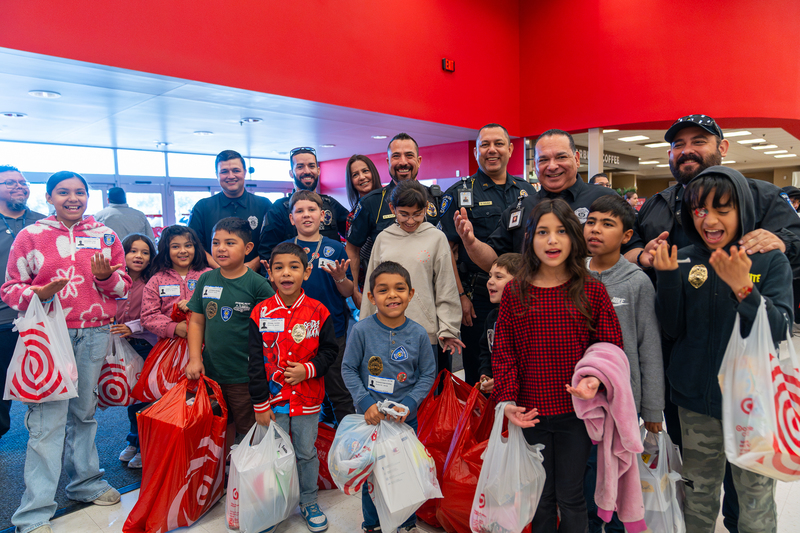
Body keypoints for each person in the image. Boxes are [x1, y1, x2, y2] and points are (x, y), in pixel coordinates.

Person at [628, 114, 800, 531]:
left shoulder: (767, 259)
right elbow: (671, 328)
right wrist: (667, 278)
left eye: (722, 209)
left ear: (743, 208)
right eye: (700, 210)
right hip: (694, 401)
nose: (710, 220)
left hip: (753, 402)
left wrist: (745, 289)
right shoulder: (685, 258)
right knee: (699, 494)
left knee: (754, 498)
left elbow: (779, 328)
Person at [2, 170, 132, 533]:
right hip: (48, 336)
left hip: (94, 333)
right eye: (63, 192)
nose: (73, 198)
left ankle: (86, 483)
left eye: (79, 192)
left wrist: (106, 278)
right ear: (49, 197)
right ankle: (34, 513)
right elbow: (10, 288)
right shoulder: (32, 235)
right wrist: (40, 294)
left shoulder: (105, 235)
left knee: (84, 414)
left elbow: (122, 287)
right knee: (46, 423)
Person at [490, 198, 624, 533]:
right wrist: (505, 402)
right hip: (530, 413)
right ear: (530, 239)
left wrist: (595, 380)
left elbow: (608, 348)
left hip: (576, 414)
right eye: (543, 232)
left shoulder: (591, 289)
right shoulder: (515, 292)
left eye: (561, 231)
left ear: (574, 238)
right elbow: (504, 352)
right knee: (539, 498)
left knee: (572, 495)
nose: (552, 240)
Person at [582, 195, 664, 533]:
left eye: (607, 224)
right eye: (591, 222)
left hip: (622, 403)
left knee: (619, 476)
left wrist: (653, 410)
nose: (596, 230)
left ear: (627, 236)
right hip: (581, 402)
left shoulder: (637, 282)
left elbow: (649, 347)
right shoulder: (571, 274)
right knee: (586, 480)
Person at [248, 242, 339, 533]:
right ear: (270, 274)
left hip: (308, 399)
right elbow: (254, 362)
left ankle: (309, 501)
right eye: (279, 268)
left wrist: (307, 370)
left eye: (294, 267)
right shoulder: (260, 312)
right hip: (272, 405)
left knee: (305, 452)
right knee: (274, 455)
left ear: (307, 271)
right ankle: (275, 505)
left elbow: (329, 351)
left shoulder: (318, 311)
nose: (286, 273)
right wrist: (260, 405)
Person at [341, 261, 437, 533]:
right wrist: (366, 403)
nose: (392, 295)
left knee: (404, 474)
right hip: (371, 422)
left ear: (411, 293)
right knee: (373, 476)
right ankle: (372, 525)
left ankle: (406, 523)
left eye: (399, 288)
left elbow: (428, 374)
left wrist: (409, 404)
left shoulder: (418, 333)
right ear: (371, 297)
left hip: (406, 422)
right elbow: (348, 369)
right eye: (383, 290)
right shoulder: (361, 330)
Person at [439, 123, 535, 387]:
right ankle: (482, 428)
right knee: (479, 374)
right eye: (485, 144)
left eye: (499, 144)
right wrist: (460, 296)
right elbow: (446, 249)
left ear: (510, 149)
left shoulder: (528, 193)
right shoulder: (459, 193)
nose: (492, 150)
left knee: (524, 367)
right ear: (475, 151)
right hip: (479, 297)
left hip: (526, 296)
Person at [454, 129, 627, 274]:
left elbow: (631, 248)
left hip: (592, 305)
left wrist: (643, 256)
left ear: (576, 158)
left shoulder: (606, 199)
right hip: (535, 308)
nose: (552, 166)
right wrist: (471, 243)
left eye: (560, 157)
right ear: (535, 165)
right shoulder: (520, 208)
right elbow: (494, 261)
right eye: (543, 160)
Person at [185, 217, 275, 441]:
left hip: (244, 376)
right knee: (217, 425)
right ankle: (225, 470)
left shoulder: (257, 285)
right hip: (212, 373)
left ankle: (245, 471)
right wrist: (195, 358)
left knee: (249, 430)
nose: (221, 248)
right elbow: (196, 322)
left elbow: (273, 329)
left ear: (247, 248)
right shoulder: (206, 279)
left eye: (230, 243)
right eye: (216, 243)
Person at [361, 180, 463, 372]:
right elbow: (370, 288)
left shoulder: (436, 238)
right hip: (386, 332)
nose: (410, 221)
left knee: (427, 395)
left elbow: (446, 287)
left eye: (417, 214)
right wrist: (365, 330)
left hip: (426, 333)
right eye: (404, 214)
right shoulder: (383, 239)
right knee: (389, 392)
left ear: (426, 208)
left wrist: (448, 328)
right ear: (393, 208)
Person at [346, 133, 444, 309]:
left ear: (419, 160)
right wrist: (355, 290)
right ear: (388, 162)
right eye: (396, 156)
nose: (403, 162)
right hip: (385, 297)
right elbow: (352, 248)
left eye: (409, 155)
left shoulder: (436, 199)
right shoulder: (371, 202)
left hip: (429, 293)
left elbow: (447, 251)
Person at [282, 190, 355, 425]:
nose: (306, 215)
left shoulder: (336, 248)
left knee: (338, 388)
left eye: (312, 210)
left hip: (332, 328)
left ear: (323, 216)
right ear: (292, 218)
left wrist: (341, 278)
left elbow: (347, 291)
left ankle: (349, 441)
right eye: (300, 211)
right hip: (293, 330)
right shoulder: (283, 250)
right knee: (301, 385)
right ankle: (312, 436)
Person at [0, 165, 46, 439]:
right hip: (4, 319)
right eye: (9, 183)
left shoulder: (43, 223)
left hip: (43, 318)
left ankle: (46, 445)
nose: (19, 186)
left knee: (47, 387)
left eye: (23, 181)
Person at [112, 233, 157, 469]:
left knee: (144, 398)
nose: (138, 256)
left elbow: (157, 314)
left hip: (146, 345)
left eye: (145, 252)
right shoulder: (112, 280)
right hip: (120, 347)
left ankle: (143, 444)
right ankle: (133, 439)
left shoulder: (153, 282)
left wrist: (131, 327)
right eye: (133, 251)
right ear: (123, 254)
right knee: (130, 396)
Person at [258, 147, 348, 262]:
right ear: (291, 173)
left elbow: (355, 235)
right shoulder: (279, 208)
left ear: (318, 170)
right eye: (300, 167)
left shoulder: (330, 204)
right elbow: (266, 251)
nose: (307, 171)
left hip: (328, 276)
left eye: (311, 166)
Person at [188, 149, 271, 270]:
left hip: (255, 278)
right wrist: (219, 268)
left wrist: (250, 268)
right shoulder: (202, 207)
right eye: (224, 171)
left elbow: (272, 244)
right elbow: (195, 244)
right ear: (217, 175)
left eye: (236, 170)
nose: (230, 176)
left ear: (245, 172)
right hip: (213, 278)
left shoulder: (264, 205)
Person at [141, 226, 210, 340]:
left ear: (196, 248)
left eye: (188, 245)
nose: (183, 251)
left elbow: (221, 305)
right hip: (170, 345)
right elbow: (148, 316)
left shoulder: (209, 276)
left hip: (207, 343)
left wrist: (195, 307)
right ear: (166, 250)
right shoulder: (157, 280)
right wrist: (174, 327)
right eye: (175, 246)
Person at [476, 253, 522, 394]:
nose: (490, 281)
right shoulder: (492, 317)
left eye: (498, 277)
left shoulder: (524, 319)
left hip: (522, 394)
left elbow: (527, 362)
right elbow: (486, 350)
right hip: (500, 393)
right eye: (490, 276)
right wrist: (486, 373)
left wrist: (503, 380)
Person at [344, 155, 383, 291]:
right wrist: (355, 291)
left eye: (365, 171)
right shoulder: (353, 215)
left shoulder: (392, 202)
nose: (361, 177)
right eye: (355, 175)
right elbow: (353, 253)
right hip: (370, 281)